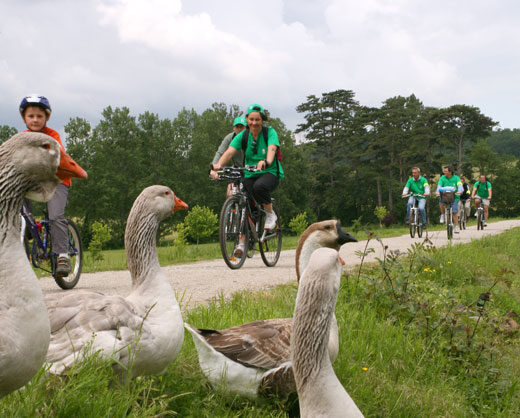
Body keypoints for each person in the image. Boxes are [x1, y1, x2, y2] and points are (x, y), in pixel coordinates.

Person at [212, 104, 284, 257]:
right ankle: (244, 238)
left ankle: (271, 214)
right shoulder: (243, 136)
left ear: (262, 120)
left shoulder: (269, 132)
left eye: (257, 119)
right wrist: (218, 165)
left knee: (259, 187)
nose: (254, 123)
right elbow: (229, 152)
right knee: (244, 200)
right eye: (251, 119)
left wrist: (266, 161)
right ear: (247, 120)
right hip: (250, 173)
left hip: (270, 172)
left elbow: (272, 149)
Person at [19, 95, 72, 276]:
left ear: (46, 118)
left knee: (56, 215)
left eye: (39, 116)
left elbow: (56, 156)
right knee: (16, 207)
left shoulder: (52, 136)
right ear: (24, 118)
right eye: (31, 116)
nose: (35, 120)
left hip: (57, 180)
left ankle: (63, 255)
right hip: (33, 181)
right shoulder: (22, 138)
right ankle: (28, 227)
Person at [209, 116, 247, 198]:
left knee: (254, 193)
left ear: (246, 128)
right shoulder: (229, 138)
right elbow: (220, 153)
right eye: (238, 127)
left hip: (250, 168)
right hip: (237, 168)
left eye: (242, 127)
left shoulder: (251, 137)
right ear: (234, 128)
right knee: (230, 194)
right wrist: (213, 169)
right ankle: (231, 208)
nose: (240, 129)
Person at [436, 165, 463, 233]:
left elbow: (460, 186)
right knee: (441, 202)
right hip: (444, 196)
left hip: (454, 197)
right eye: (444, 171)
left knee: (454, 211)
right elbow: (439, 186)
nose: (444, 172)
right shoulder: (442, 178)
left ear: (450, 172)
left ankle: (456, 226)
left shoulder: (456, 178)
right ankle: (442, 215)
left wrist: (460, 191)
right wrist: (437, 192)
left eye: (446, 171)